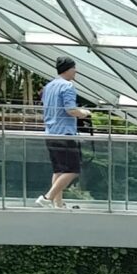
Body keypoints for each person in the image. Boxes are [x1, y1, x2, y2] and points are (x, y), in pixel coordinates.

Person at [37, 57, 88, 207]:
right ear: (68, 69)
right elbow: (70, 110)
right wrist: (84, 113)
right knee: (73, 169)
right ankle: (47, 198)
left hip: (50, 132)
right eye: (74, 68)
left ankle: (58, 203)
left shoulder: (49, 86)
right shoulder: (67, 86)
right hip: (65, 133)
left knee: (59, 170)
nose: (75, 71)